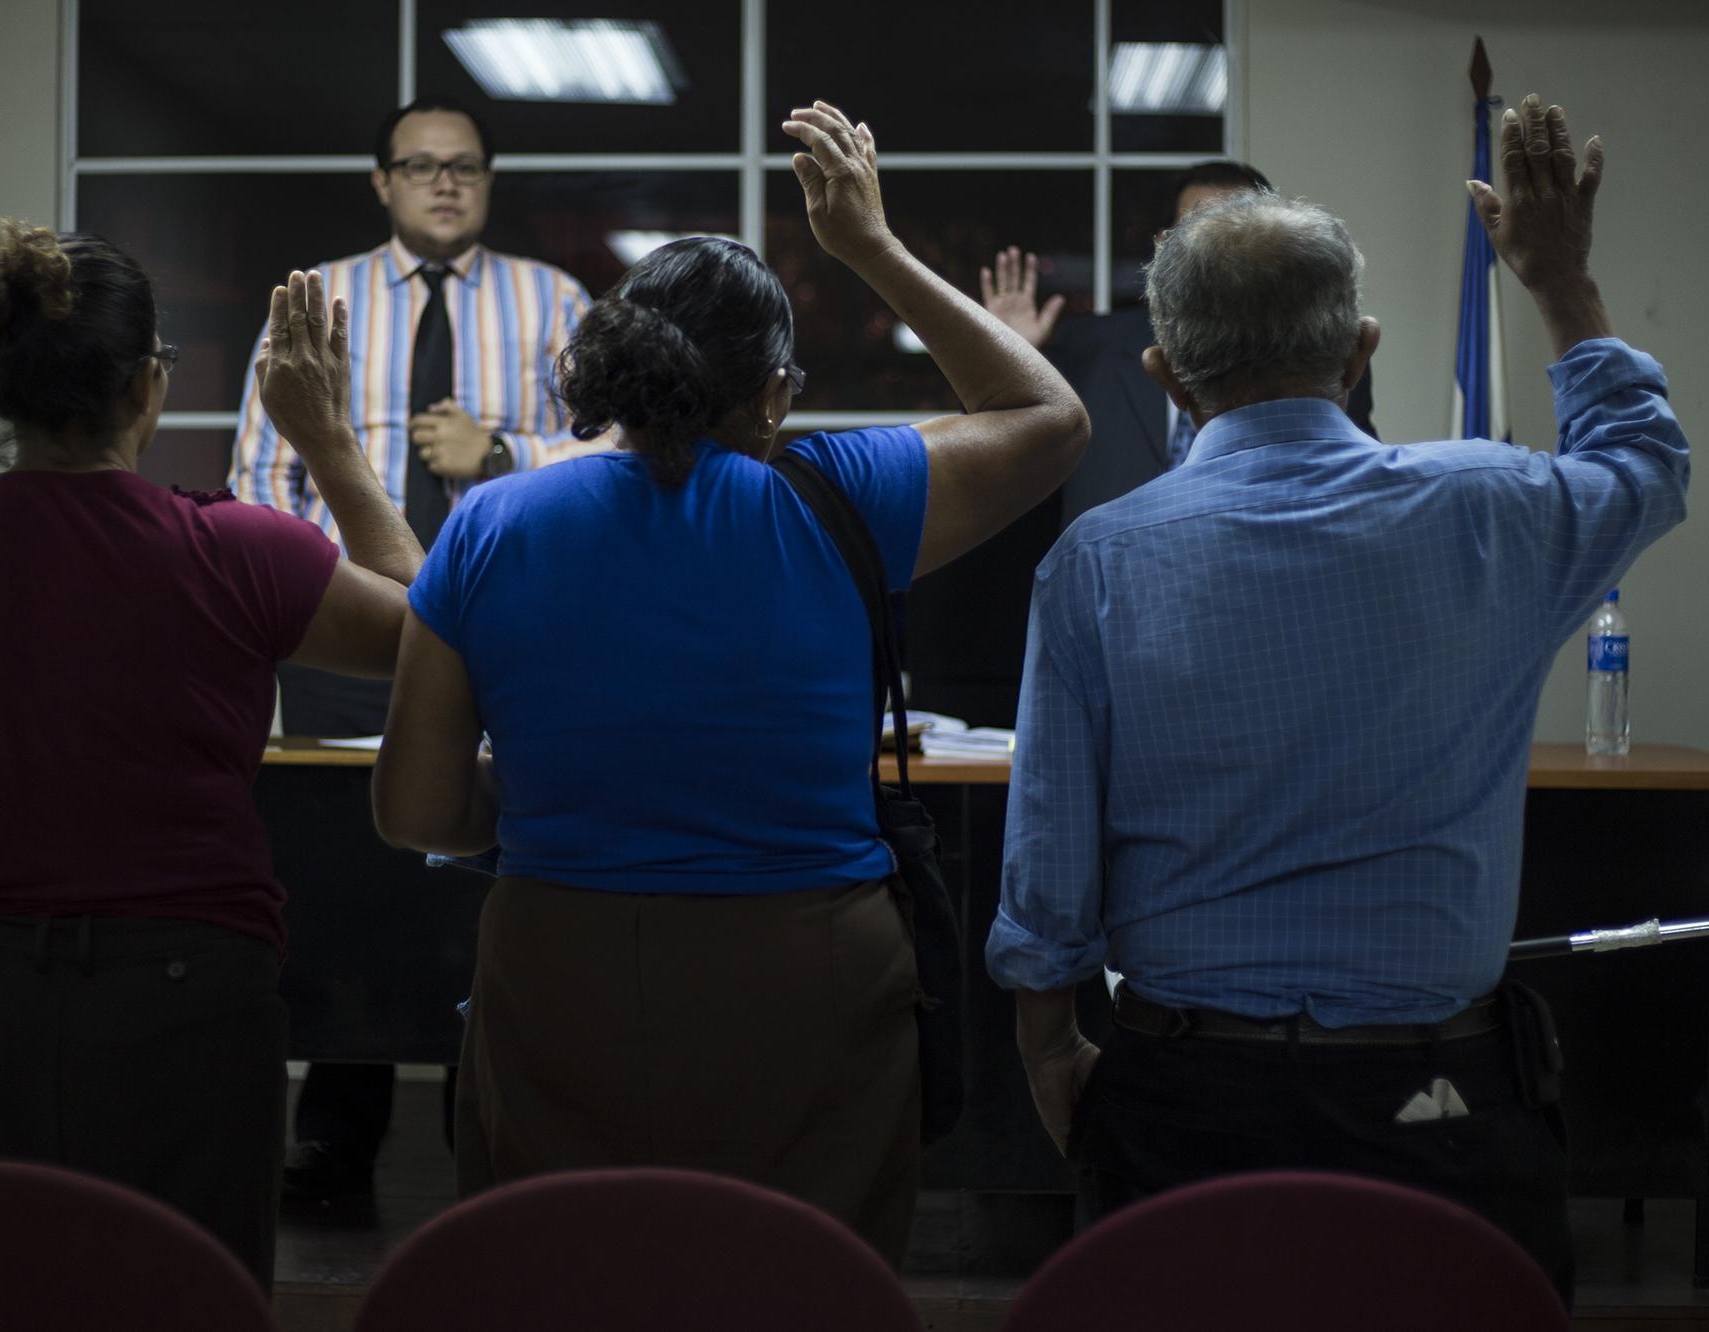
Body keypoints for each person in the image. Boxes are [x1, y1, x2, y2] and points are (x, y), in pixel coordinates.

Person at [986, 96, 1687, 1303]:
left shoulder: (1097, 560)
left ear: (1163, 373)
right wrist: (1559, 281)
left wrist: (1050, 1057)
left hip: (1177, 1098)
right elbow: (1640, 460)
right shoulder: (1494, 509)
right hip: (1441, 1109)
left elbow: (1048, 866)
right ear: (1358, 349)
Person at [369, 100, 1088, 1267]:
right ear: (770, 394)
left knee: (562, 1280)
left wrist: (565, 792)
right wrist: (869, 246)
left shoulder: (490, 521)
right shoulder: (838, 494)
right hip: (805, 975)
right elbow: (1045, 417)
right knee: (797, 1280)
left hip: (561, 965)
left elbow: (413, 812)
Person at [0, 220, 418, 1287]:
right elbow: (436, 630)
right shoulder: (236, 549)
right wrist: (325, 440)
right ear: (148, 386)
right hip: (187, 997)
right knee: (181, 1294)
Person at [227, 97, 600, 1202]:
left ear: (488, 181)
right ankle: (336, 1133)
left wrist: (501, 449)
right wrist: (328, 595)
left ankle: (477, 1121)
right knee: (348, 868)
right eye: (420, 166)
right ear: (381, 182)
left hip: (511, 627)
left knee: (485, 865)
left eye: (465, 168)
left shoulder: (555, 300)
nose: (444, 183)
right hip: (347, 633)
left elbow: (605, 457)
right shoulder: (319, 296)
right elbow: (261, 479)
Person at [980, 160, 1377, 536]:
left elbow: (1361, 487)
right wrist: (1005, 360)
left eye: (1240, 229)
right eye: (1202, 229)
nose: (1224, 252)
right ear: (1164, 244)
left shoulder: (1321, 353)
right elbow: (1006, 471)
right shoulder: (1087, 348)